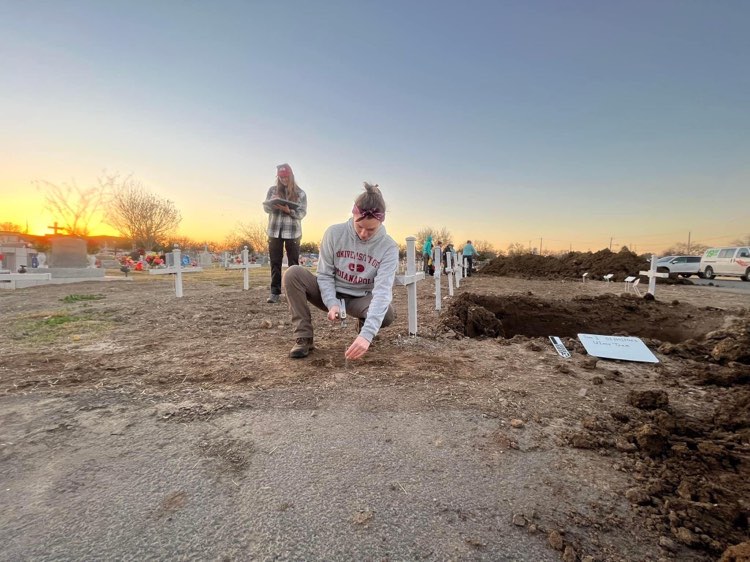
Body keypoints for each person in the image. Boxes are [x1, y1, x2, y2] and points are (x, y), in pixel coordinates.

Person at [283, 183, 398, 360]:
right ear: (353, 214)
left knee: (387, 314)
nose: (363, 233)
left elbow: (382, 291)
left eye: (371, 229)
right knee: (293, 274)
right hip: (330, 293)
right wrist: (332, 302)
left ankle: (363, 325)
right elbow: (325, 274)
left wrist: (367, 336)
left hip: (360, 299)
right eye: (359, 226)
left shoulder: (389, 247)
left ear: (381, 222)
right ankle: (304, 337)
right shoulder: (334, 233)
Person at [263, 163, 308, 303]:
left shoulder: (300, 193)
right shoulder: (272, 190)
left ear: (291, 176)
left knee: (293, 265)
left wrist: (289, 211)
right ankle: (274, 293)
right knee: (275, 263)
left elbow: (302, 213)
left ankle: (294, 294)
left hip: (292, 232)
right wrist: (271, 204)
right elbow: (266, 209)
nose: (283, 179)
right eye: (281, 177)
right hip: (274, 231)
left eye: (286, 177)